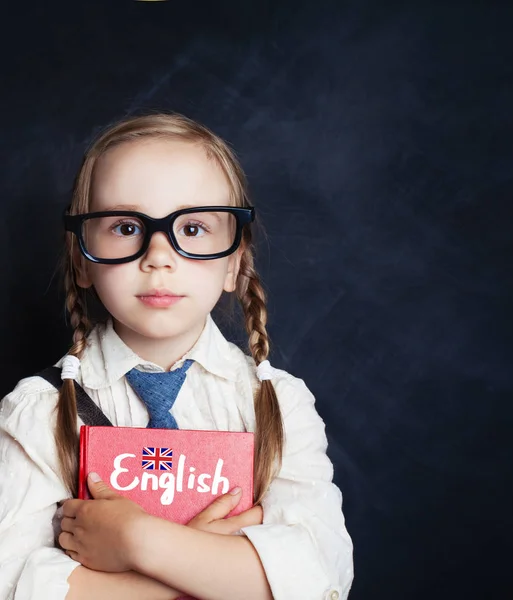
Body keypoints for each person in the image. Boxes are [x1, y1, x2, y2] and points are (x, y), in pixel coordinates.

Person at [0, 113, 353, 600]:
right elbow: (12, 584)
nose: (159, 255)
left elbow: (319, 581)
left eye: (192, 228)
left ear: (235, 262)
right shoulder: (37, 413)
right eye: (126, 226)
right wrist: (205, 569)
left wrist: (138, 541)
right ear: (82, 257)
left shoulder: (279, 406)